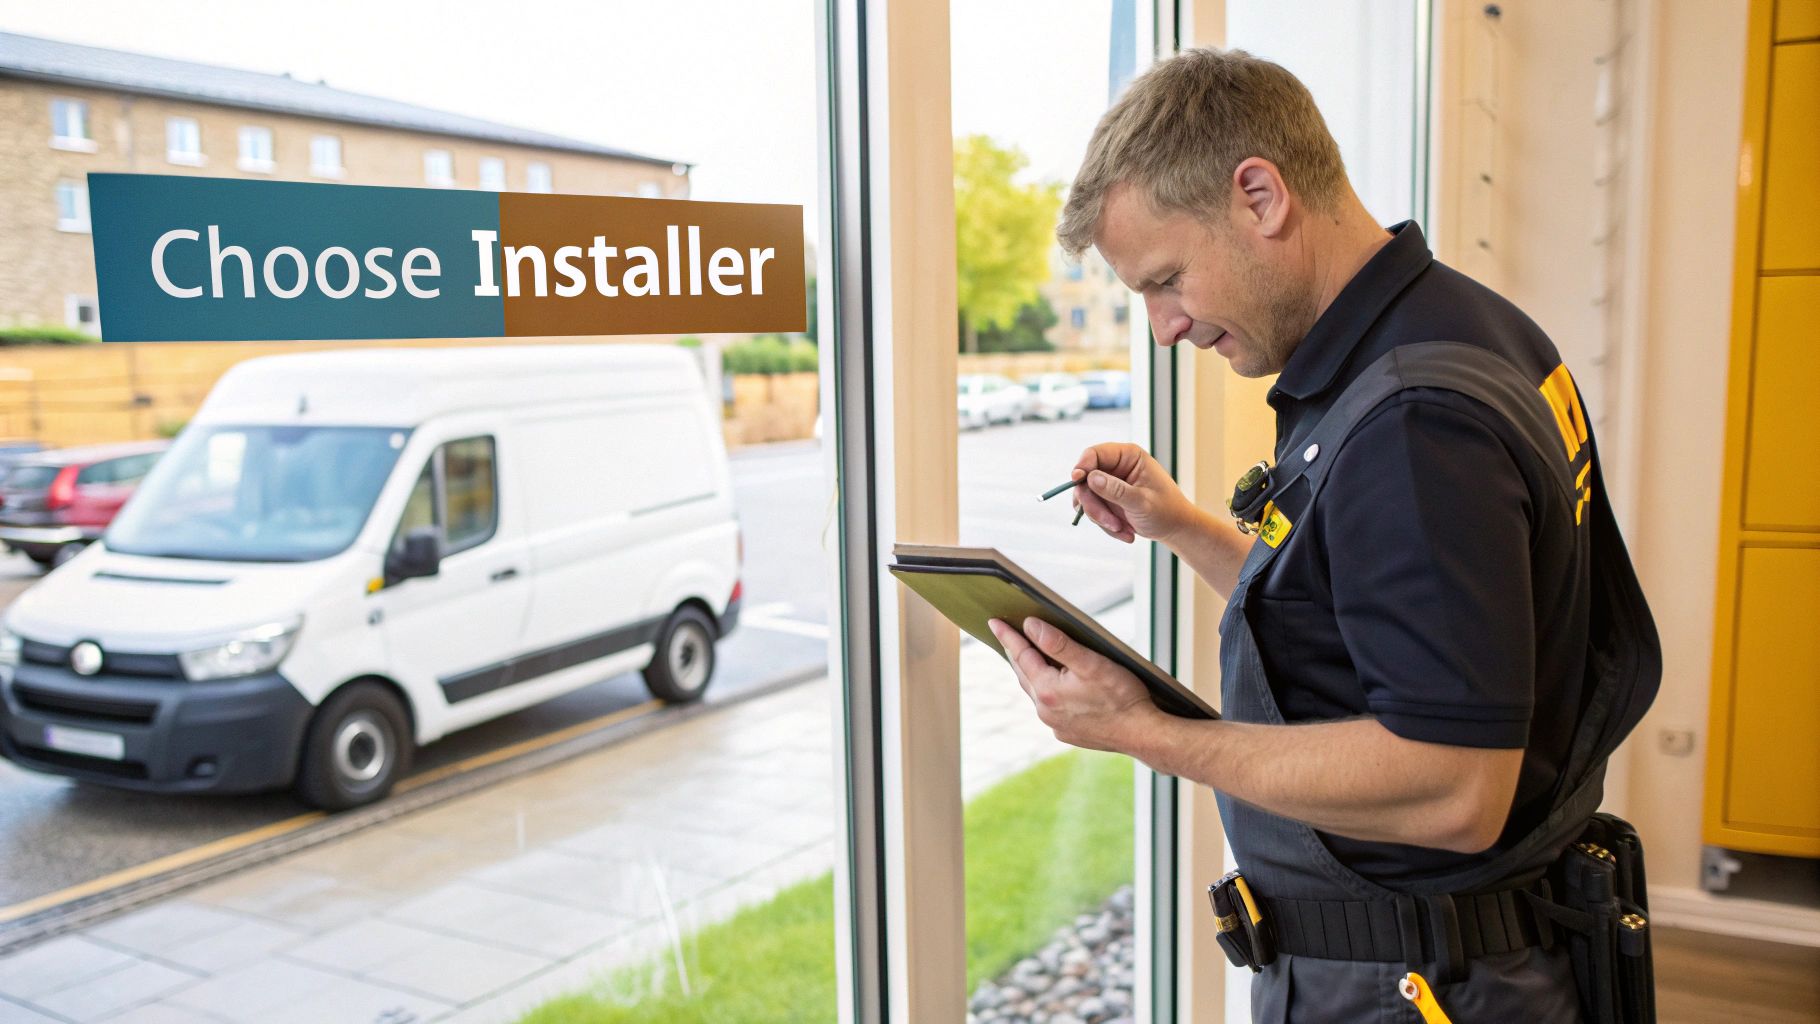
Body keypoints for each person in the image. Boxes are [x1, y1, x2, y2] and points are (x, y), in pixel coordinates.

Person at [985, 48, 1659, 1022]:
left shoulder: (1411, 424)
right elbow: (1363, 615)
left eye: (1166, 279)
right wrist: (1179, 524)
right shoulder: (1459, 325)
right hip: (1464, 958)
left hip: (1423, 984)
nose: (1164, 326)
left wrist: (1147, 733)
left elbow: (1452, 786)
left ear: (1258, 194)